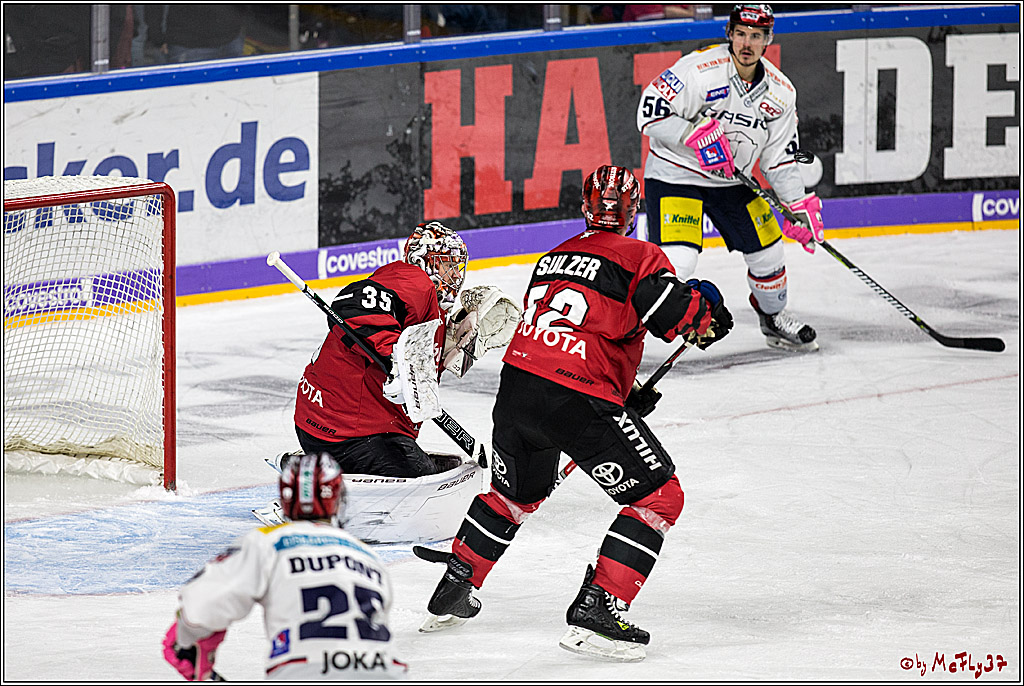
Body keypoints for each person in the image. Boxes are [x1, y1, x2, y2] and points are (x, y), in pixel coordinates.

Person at [418, 165, 734, 662]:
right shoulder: (640, 255)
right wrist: (707, 313)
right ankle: (600, 609)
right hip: (575, 398)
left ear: (585, 206)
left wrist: (620, 392)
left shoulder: (551, 258)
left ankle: (457, 581)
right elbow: (677, 315)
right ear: (634, 213)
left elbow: (571, 331)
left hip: (517, 388)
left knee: (514, 495)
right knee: (659, 499)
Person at [636, 3, 823, 351]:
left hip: (732, 181)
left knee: (768, 254)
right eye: (740, 34)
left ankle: (773, 319)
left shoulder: (782, 93)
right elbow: (647, 114)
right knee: (679, 261)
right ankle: (628, 334)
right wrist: (692, 131)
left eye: (755, 35)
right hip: (677, 175)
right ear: (729, 34)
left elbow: (777, 157)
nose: (746, 43)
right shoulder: (699, 70)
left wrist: (796, 203)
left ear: (768, 39)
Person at [162, 453, 407, 680]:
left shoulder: (267, 542)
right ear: (338, 499)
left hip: (304, 671)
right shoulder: (368, 557)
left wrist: (187, 641)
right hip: (385, 673)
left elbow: (203, 607)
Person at [292, 222, 469, 478]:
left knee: (419, 466)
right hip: (343, 434)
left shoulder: (431, 303)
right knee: (420, 477)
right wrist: (396, 359)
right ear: (425, 260)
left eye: (457, 266)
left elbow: (416, 359)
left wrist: (453, 341)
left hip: (335, 424)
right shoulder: (413, 280)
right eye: (447, 263)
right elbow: (352, 304)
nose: (455, 274)